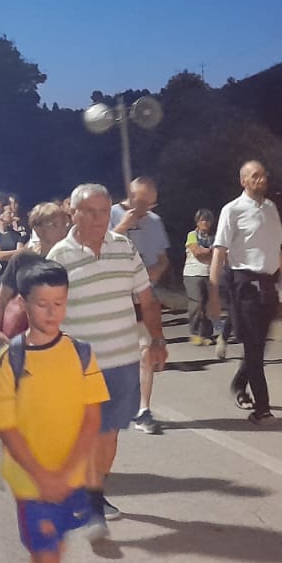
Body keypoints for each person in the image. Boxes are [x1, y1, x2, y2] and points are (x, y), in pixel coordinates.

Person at [0, 258, 110, 563]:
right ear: (23, 304)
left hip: (69, 479)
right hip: (32, 483)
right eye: (42, 304)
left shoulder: (82, 354)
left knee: (55, 554)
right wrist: (43, 476)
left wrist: (68, 471)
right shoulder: (10, 360)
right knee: (45, 559)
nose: (52, 312)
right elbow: (7, 427)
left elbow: (92, 418)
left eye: (60, 303)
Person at [48, 183, 167, 537]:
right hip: (79, 365)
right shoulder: (59, 256)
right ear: (73, 213)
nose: (99, 219)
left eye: (103, 211)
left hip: (123, 362)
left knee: (109, 436)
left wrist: (157, 338)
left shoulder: (124, 248)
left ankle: (93, 494)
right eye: (89, 212)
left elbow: (146, 299)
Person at [209, 161, 282, 424]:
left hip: (268, 285)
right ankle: (262, 409)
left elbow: (277, 248)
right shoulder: (232, 210)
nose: (261, 179)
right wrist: (213, 291)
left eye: (263, 175)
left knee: (258, 346)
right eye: (254, 176)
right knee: (254, 348)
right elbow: (219, 251)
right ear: (243, 180)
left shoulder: (270, 208)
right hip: (244, 285)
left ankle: (239, 384)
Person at [108, 177, 173, 434]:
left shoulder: (154, 222)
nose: (144, 208)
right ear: (130, 194)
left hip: (142, 297)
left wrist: (156, 271)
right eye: (140, 201)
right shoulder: (110, 214)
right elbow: (97, 250)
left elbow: (163, 258)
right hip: (112, 297)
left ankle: (143, 410)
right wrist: (122, 227)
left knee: (146, 351)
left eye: (150, 204)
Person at [0, 201, 72, 349]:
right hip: (24, 337)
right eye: (53, 225)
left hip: (62, 337)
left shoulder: (71, 257)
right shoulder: (23, 258)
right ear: (37, 228)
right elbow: (2, 297)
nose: (62, 230)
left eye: (64, 224)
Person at [183, 209, 218, 346]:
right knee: (197, 303)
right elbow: (197, 252)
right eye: (202, 220)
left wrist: (209, 252)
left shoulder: (215, 236)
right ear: (197, 222)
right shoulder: (192, 235)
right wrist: (210, 251)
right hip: (192, 273)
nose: (205, 223)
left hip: (210, 274)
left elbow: (221, 253)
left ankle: (207, 334)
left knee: (208, 305)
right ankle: (195, 332)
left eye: (208, 220)